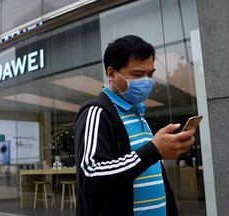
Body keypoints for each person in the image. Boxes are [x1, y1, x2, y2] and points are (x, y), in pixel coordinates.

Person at [74, 35, 196, 216]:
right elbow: (90, 176)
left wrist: (160, 150)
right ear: (111, 73)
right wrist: (154, 150)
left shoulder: (137, 112)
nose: (146, 81)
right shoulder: (97, 112)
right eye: (138, 74)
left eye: (150, 74)